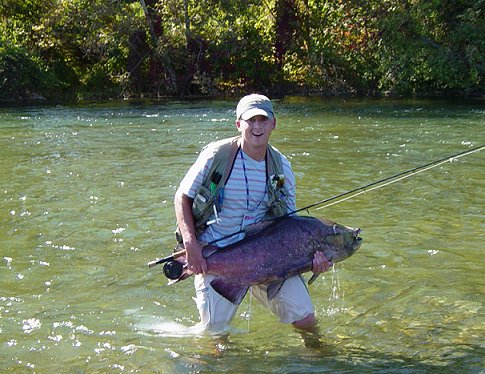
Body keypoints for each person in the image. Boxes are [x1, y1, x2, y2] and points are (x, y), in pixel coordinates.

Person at [174, 94, 332, 336]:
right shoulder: (217, 156)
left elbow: (289, 227)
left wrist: (311, 260)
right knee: (215, 334)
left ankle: (315, 360)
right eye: (250, 120)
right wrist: (190, 243)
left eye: (263, 120)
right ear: (239, 124)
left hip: (268, 260)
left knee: (306, 319)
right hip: (217, 257)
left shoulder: (282, 167)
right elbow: (182, 197)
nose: (257, 126)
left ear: (273, 124)